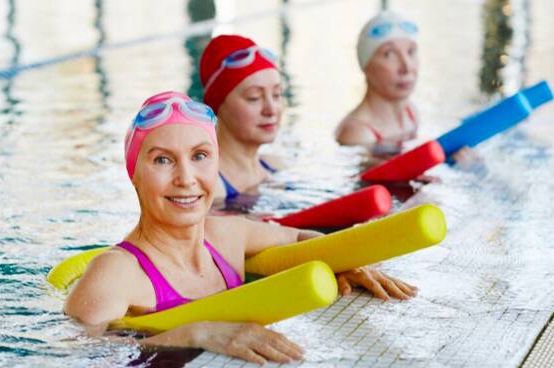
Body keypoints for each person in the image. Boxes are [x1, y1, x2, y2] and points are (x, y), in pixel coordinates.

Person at [65, 91, 418, 364]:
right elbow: (79, 350)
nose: (186, 178)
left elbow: (298, 237)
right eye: (162, 160)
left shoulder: (227, 236)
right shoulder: (115, 273)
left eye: (200, 156)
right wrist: (197, 332)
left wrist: (345, 263)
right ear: (134, 174)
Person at [335, 11, 477, 163]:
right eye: (389, 54)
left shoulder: (411, 113)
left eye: (411, 51)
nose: (406, 66)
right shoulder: (357, 133)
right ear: (365, 65)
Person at [199, 35, 285, 200]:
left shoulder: (274, 166)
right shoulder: (211, 188)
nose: (271, 110)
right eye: (254, 98)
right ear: (218, 105)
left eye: (276, 94)